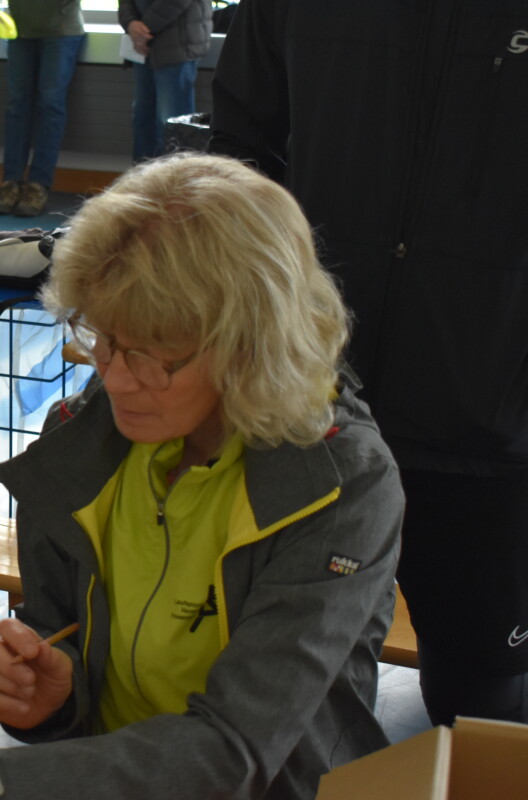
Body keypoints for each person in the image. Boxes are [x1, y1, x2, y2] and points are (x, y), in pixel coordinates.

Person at [0, 154, 404, 800]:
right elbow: (62, 637)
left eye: (151, 354)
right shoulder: (81, 438)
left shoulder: (341, 487)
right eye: (104, 337)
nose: (114, 378)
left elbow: (232, 752)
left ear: (250, 344)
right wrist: (55, 692)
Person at [208, 0, 528, 726]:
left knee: (479, 703)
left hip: (490, 429)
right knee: (271, 695)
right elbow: (239, 154)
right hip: (307, 409)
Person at [0, 0, 85, 218]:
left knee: (50, 105)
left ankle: (38, 185)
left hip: (61, 31)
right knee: (16, 105)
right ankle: (11, 182)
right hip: (19, 29)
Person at [119, 0, 211, 163]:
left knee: (173, 125)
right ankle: (143, 178)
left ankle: (176, 178)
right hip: (143, 48)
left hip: (177, 45)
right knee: (142, 120)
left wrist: (143, 30)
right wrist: (131, 23)